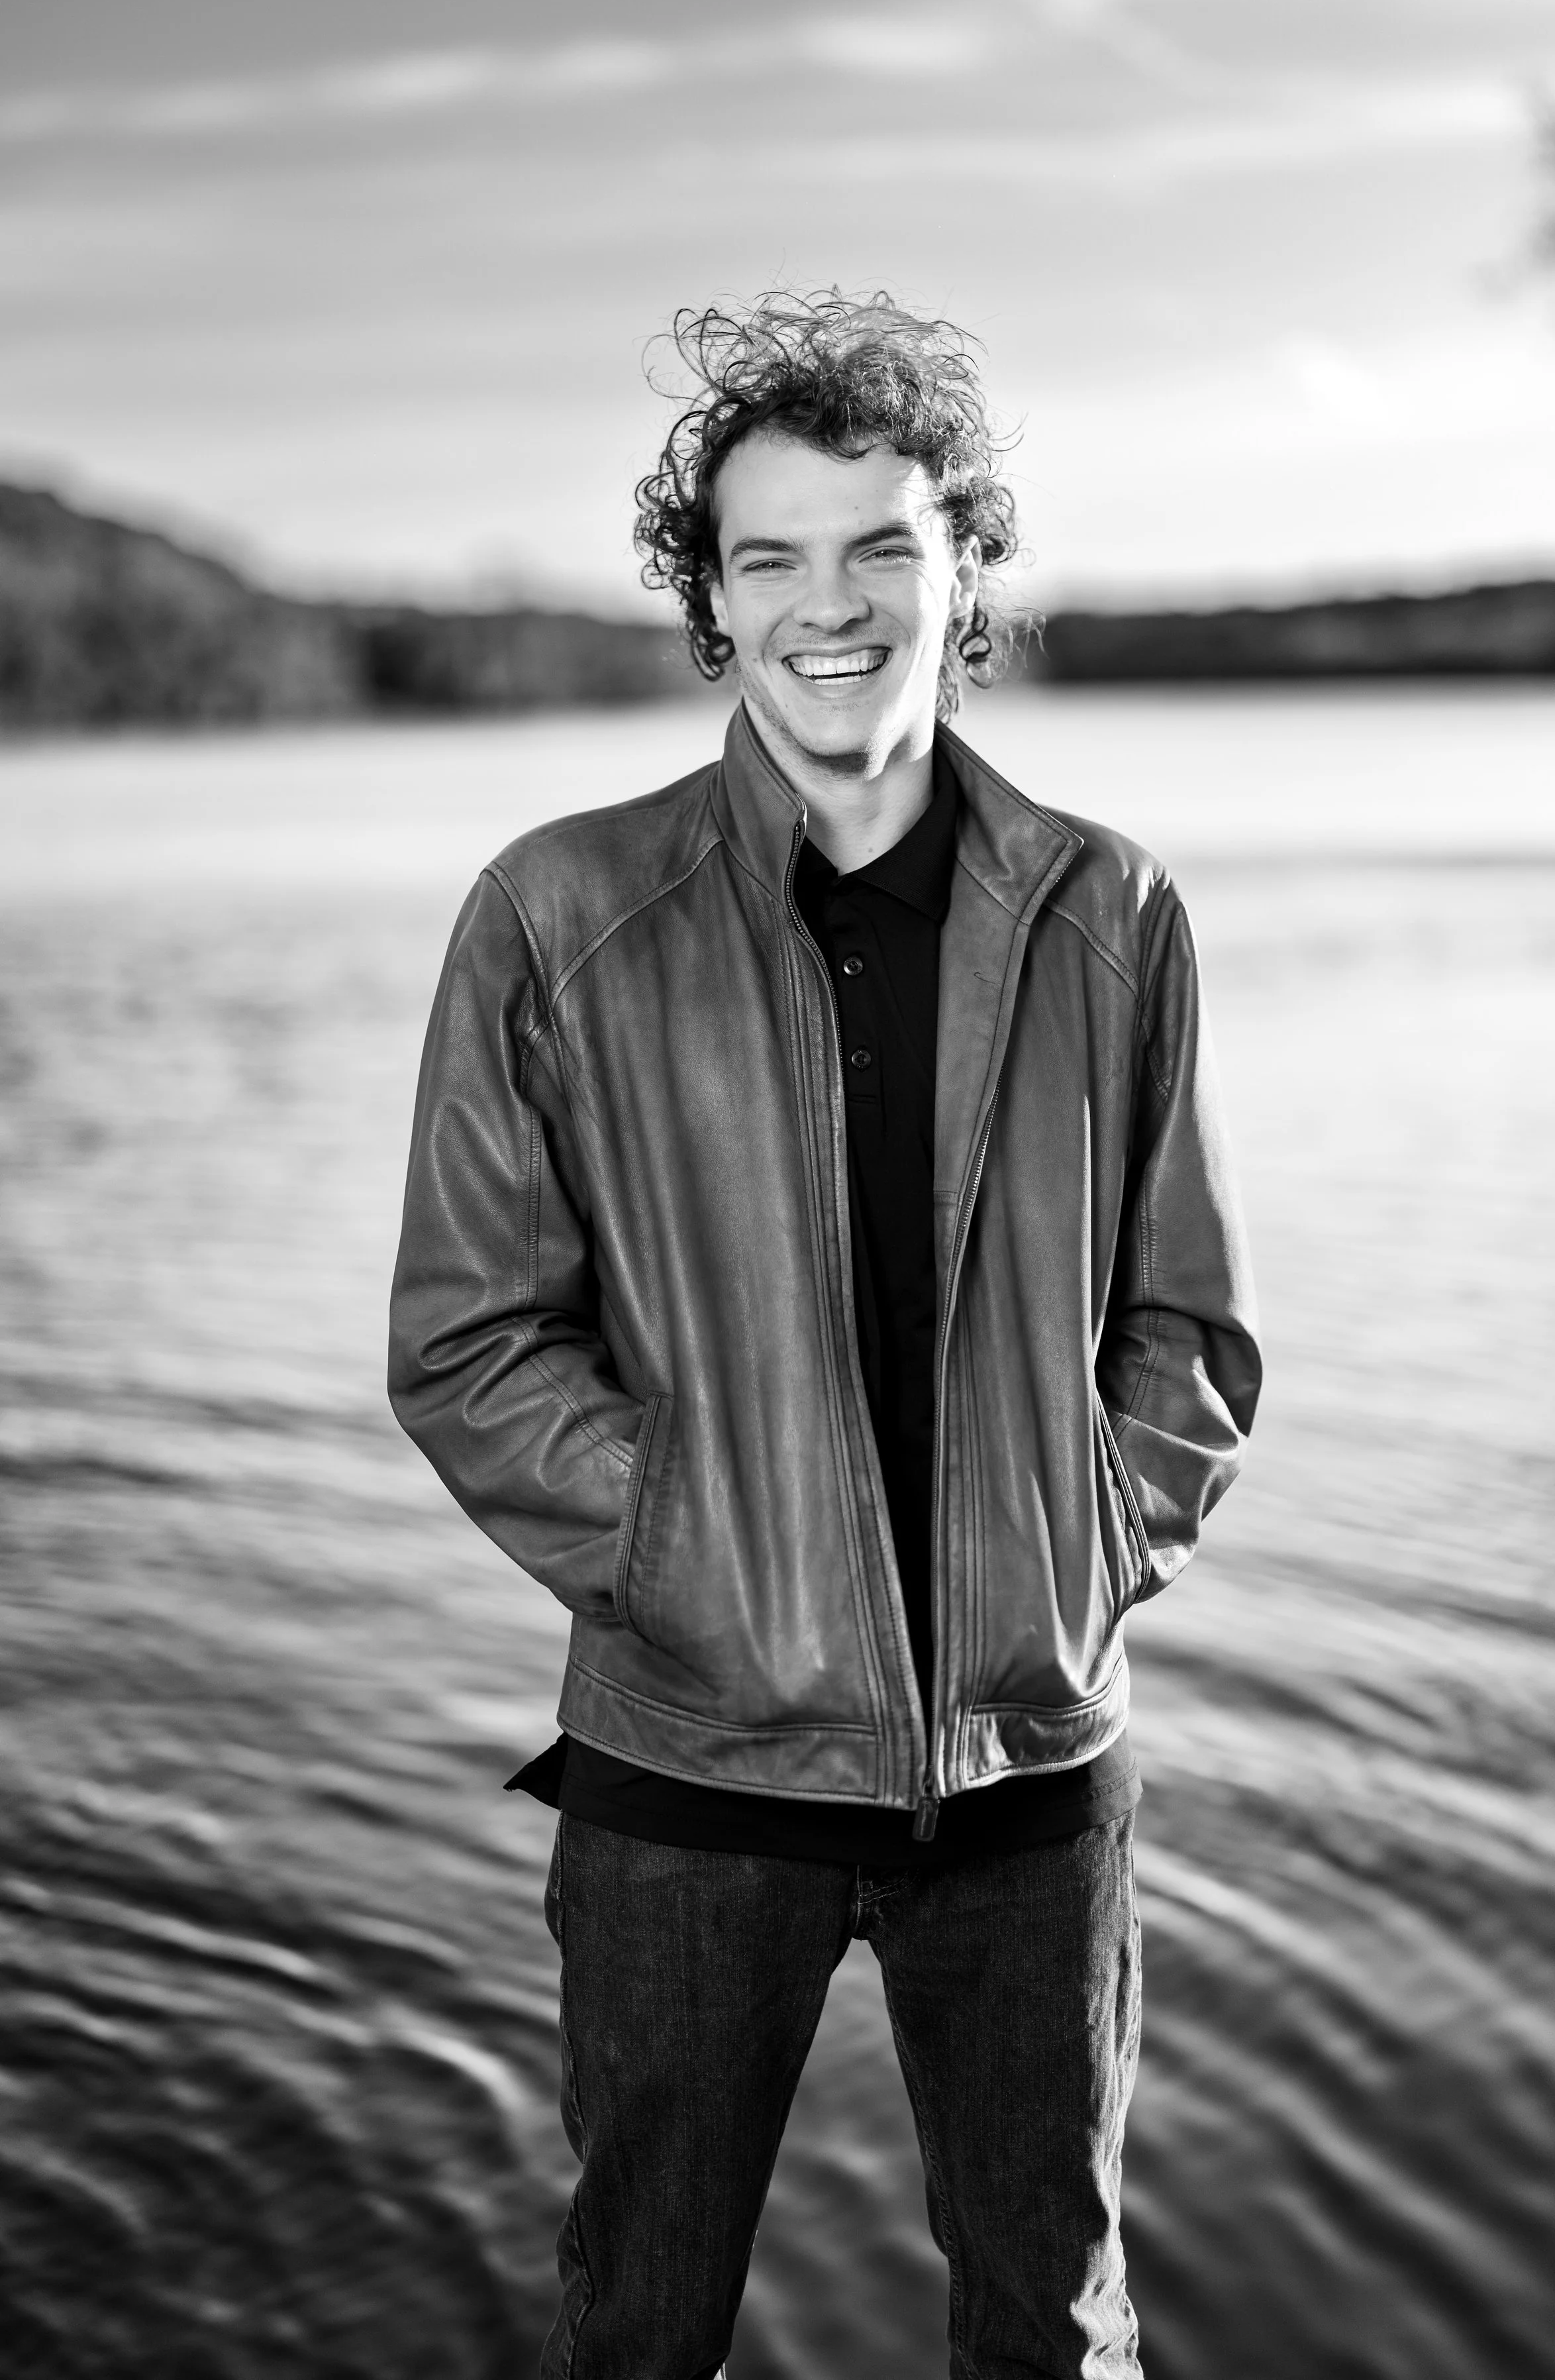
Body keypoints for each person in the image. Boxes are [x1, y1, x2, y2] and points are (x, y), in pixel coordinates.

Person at [388, 291, 1261, 2380]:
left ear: (965, 568)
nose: (828, 604)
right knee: (643, 2329)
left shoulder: (1106, 909)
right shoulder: (554, 911)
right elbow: (470, 1341)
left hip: (1030, 1771)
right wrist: (704, 1560)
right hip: (690, 1769)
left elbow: (1189, 1332)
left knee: (1054, 2328)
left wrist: (1071, 1554)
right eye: (767, 555)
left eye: (881, 545)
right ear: (708, 597)